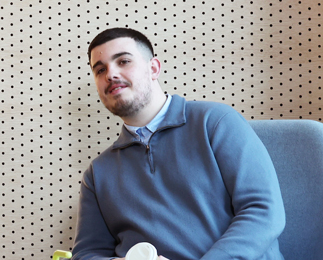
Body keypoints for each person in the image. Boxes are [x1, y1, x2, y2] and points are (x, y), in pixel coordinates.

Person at [72, 28, 285, 260]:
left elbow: (263, 212)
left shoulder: (215, 122)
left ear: (153, 68)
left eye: (123, 61)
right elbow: (87, 253)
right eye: (100, 69)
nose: (110, 74)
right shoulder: (97, 173)